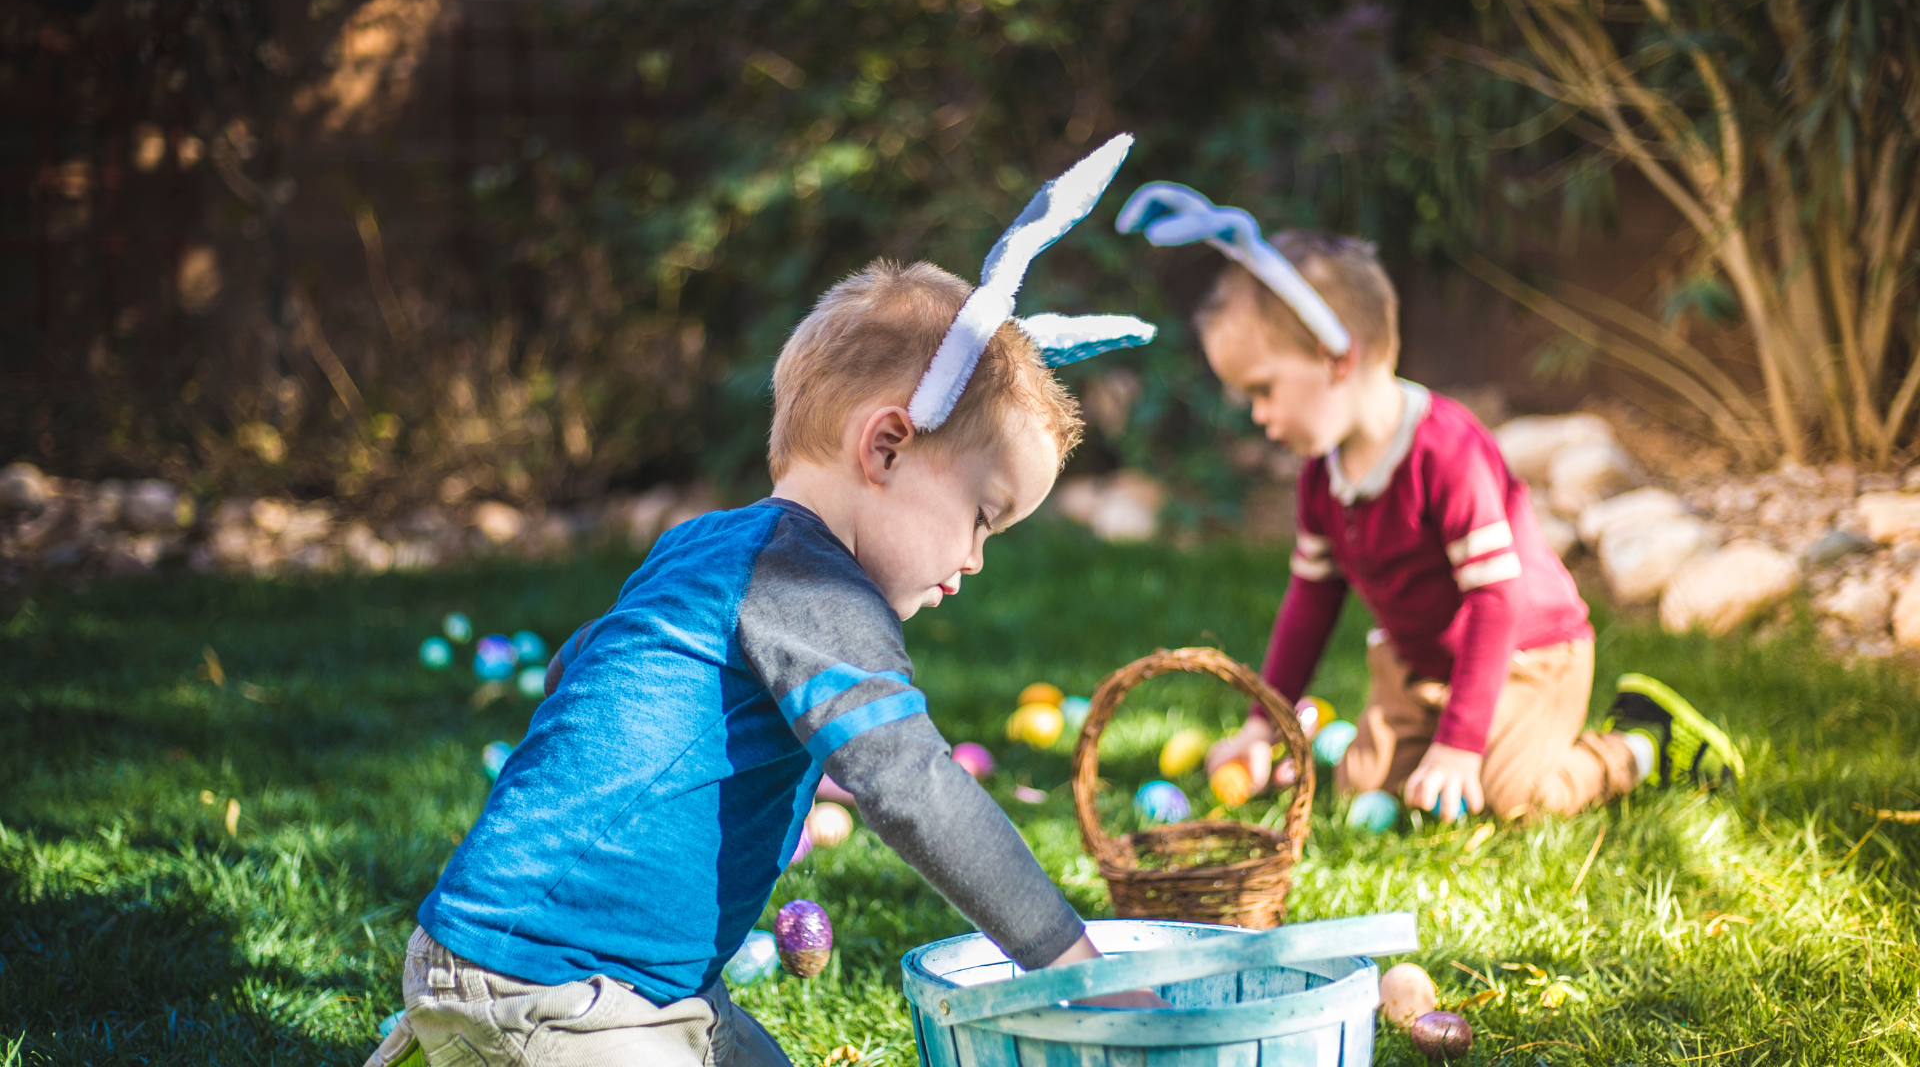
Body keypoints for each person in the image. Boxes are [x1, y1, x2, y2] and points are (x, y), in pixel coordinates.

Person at [365, 137, 1166, 1067]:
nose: (978, 558)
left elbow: (576, 670)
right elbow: (911, 787)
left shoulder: (709, 546)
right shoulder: (814, 583)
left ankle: (454, 1042)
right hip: (569, 991)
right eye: (981, 517)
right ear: (888, 447)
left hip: (576, 974)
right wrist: (1072, 962)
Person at [1116, 183, 1744, 824]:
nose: (1258, 414)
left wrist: (1461, 746)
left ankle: (1644, 742)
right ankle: (1432, 737)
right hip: (1419, 665)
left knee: (1515, 798)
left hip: (1528, 653)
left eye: (1264, 389)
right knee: (1363, 791)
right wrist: (1263, 724)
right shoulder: (1321, 475)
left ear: (1337, 359)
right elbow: (1310, 603)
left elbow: (1497, 600)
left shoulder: (1446, 451)